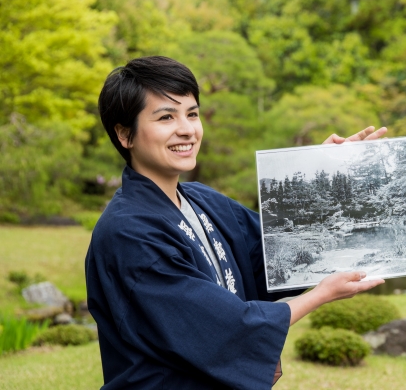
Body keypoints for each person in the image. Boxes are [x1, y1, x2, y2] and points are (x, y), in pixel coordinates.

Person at [85, 56, 387, 389]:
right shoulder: (128, 232)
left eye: (192, 114)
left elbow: (278, 255)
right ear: (125, 134)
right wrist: (320, 295)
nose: (186, 129)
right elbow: (222, 325)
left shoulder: (204, 200)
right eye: (166, 117)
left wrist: (322, 177)